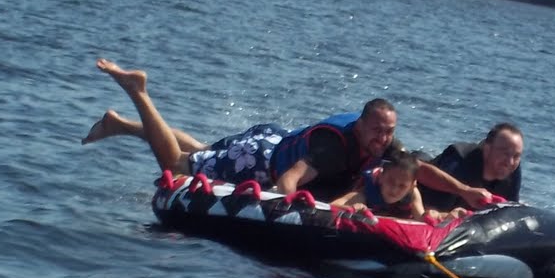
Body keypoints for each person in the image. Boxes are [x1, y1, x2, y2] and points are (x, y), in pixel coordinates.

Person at [90, 60, 399, 199]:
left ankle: (122, 125)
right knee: (177, 164)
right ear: (360, 124)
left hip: (272, 141)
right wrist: (291, 210)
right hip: (258, 163)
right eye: (377, 130)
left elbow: (415, 167)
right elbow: (289, 182)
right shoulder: (332, 151)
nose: (382, 139)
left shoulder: (381, 143)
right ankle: (137, 92)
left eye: (388, 132)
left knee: (201, 152)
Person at [415, 123, 524, 212]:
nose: (510, 161)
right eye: (504, 153)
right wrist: (465, 191)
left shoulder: (512, 170)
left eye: (516, 156)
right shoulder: (460, 159)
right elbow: (418, 172)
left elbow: (511, 211)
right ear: (487, 148)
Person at [330, 148, 434, 220]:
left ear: (412, 186)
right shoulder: (365, 193)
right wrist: (352, 208)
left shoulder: (412, 194)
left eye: (402, 186)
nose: (394, 189)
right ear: (380, 177)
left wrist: (432, 215)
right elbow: (331, 206)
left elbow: (421, 218)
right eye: (390, 181)